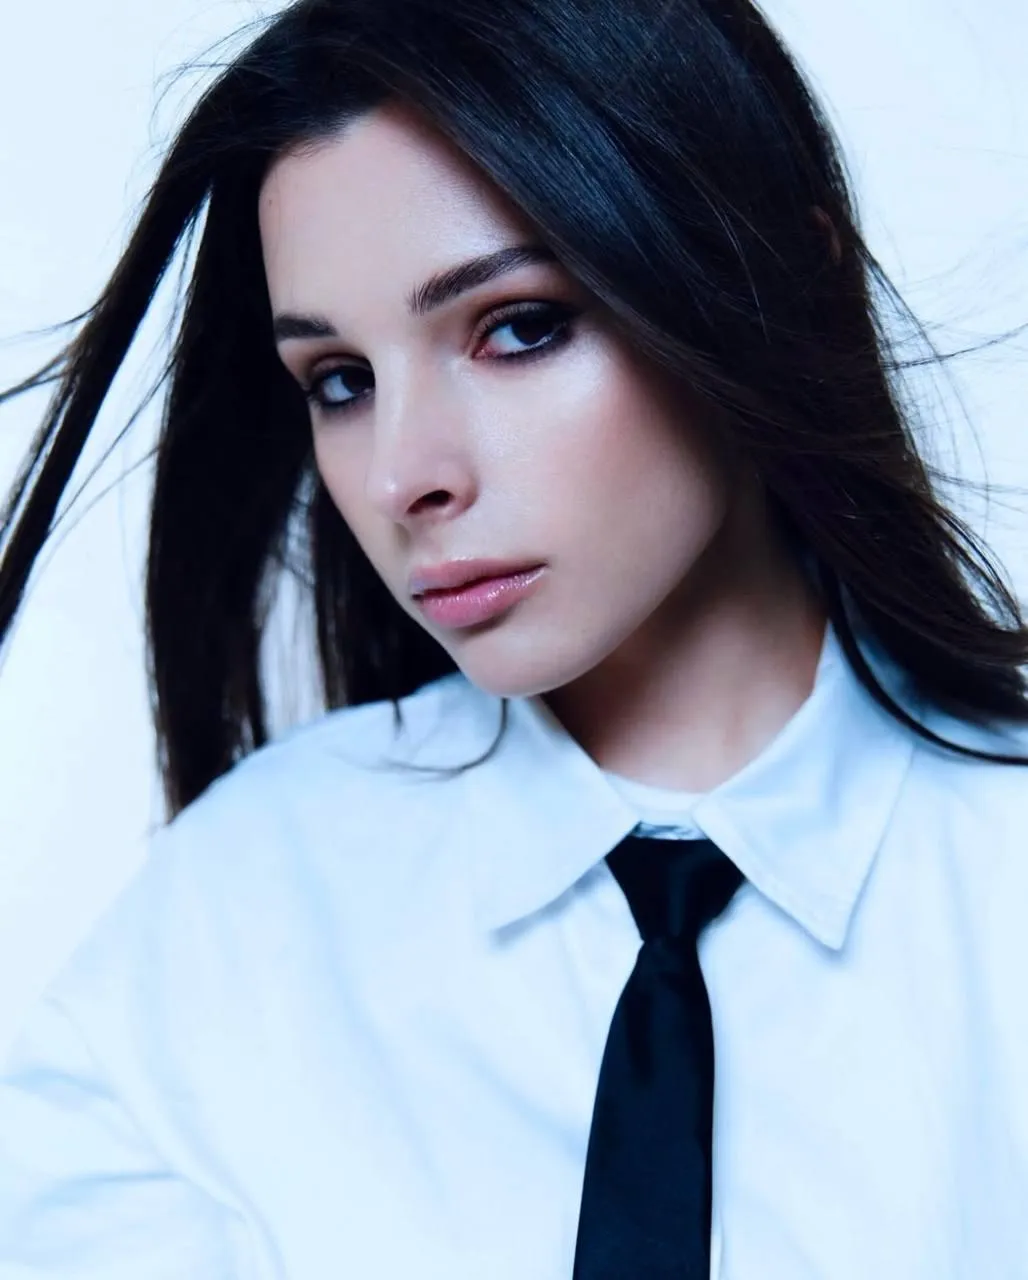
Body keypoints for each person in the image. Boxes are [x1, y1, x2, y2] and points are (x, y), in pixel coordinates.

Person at [0, 0, 1026, 1275]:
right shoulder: (229, 931)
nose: (399, 477)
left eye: (518, 326)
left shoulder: (997, 882)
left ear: (784, 285)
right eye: (341, 380)